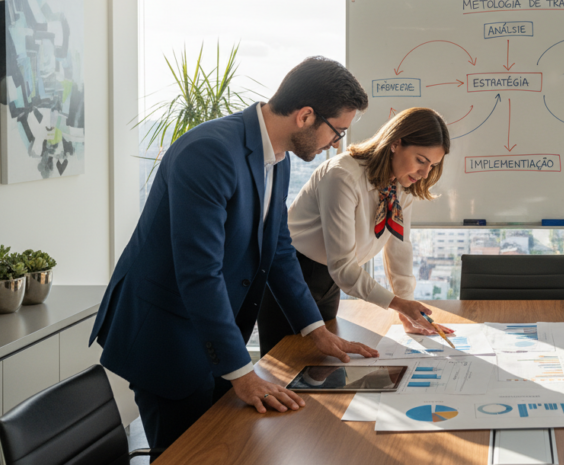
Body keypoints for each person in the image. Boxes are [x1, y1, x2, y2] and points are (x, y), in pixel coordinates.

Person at [89, 57, 379, 456]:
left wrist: (316, 330)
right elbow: (199, 272)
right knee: (187, 455)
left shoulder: (277, 157)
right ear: (306, 116)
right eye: (338, 131)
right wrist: (242, 373)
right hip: (166, 337)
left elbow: (278, 250)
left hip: (207, 334)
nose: (338, 144)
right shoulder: (210, 152)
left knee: (232, 446)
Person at [257, 107, 451, 356]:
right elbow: (343, 266)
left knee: (321, 367)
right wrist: (398, 305)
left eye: (432, 165)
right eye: (421, 160)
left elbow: (399, 248)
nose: (425, 173)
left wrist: (406, 313)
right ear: (395, 143)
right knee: (285, 367)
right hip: (293, 274)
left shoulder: (401, 186)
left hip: (330, 281)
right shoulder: (343, 176)